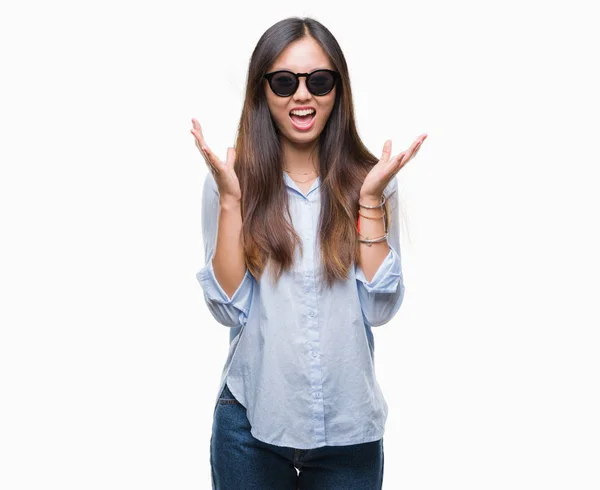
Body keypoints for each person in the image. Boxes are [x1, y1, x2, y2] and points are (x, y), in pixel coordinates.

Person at [191, 16, 427, 490]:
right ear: (263, 91)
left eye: (318, 81)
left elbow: (379, 308)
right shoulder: (231, 181)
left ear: (338, 89)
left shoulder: (372, 182)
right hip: (250, 424)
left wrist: (370, 202)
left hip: (349, 430)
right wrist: (232, 201)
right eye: (284, 82)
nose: (303, 95)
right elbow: (228, 309)